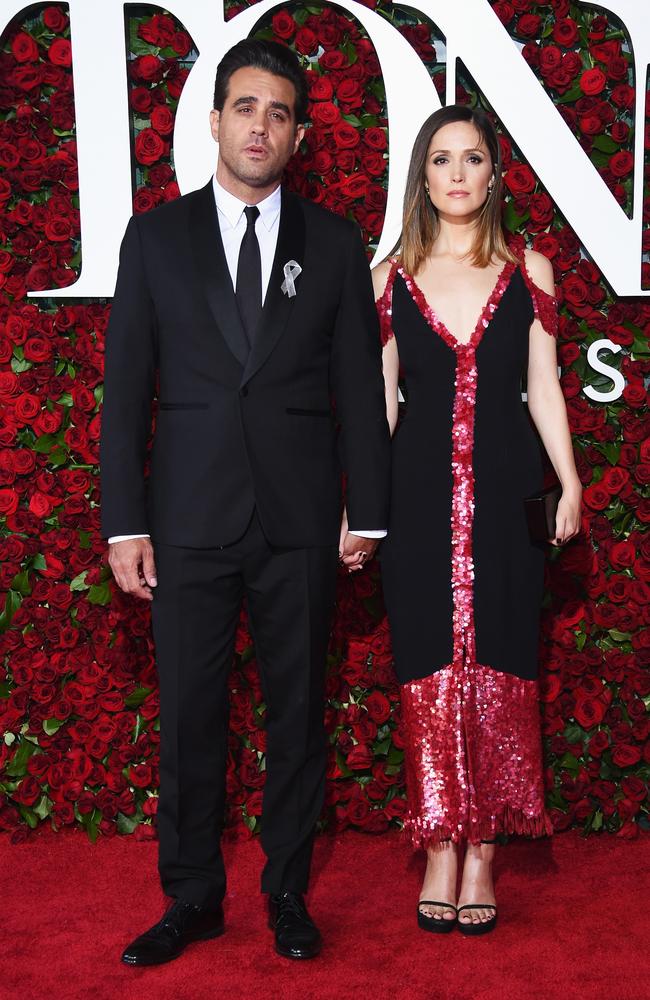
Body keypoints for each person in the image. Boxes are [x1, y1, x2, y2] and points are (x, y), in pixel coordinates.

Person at [100, 39, 390, 965]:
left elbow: (357, 389)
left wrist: (368, 510)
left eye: (277, 113)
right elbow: (126, 391)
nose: (258, 125)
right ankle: (191, 897)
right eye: (244, 107)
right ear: (215, 120)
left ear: (297, 135)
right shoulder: (155, 239)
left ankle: (287, 893)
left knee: (298, 715)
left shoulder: (336, 245)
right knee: (189, 716)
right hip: (185, 522)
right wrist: (125, 522)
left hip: (300, 522)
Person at [373, 105, 581, 936]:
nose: (456, 174)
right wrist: (361, 509)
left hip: (504, 495)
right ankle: (437, 845)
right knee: (426, 663)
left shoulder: (530, 270)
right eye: (441, 160)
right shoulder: (387, 276)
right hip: (415, 502)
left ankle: (484, 849)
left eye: (472, 160)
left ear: (494, 176)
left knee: (500, 664)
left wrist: (569, 484)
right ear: (421, 179)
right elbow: (379, 401)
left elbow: (547, 386)